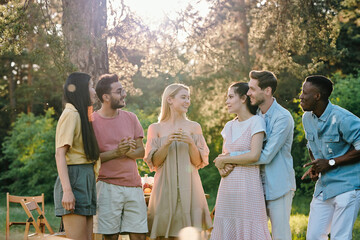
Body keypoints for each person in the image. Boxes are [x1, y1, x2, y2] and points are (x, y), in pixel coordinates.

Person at [144, 83, 212, 239]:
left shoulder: (194, 127)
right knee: (163, 234)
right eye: (183, 97)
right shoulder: (156, 128)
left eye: (188, 98)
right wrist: (167, 143)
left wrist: (190, 142)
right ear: (169, 99)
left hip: (190, 186)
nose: (187, 101)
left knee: (190, 233)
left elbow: (197, 163)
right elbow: (155, 162)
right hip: (164, 187)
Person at [300, 75, 360, 240]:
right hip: (324, 188)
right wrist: (316, 167)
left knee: (340, 237)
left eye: (305, 92)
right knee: (313, 236)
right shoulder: (307, 118)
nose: (301, 96)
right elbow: (312, 145)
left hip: (347, 186)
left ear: (317, 96)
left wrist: (331, 162)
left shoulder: (343, 118)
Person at [211, 82, 271, 240]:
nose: (227, 101)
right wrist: (221, 166)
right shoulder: (228, 126)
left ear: (244, 98)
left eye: (230, 97)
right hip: (227, 189)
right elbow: (225, 158)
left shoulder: (256, 122)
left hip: (248, 188)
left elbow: (254, 155)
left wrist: (224, 160)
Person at [92, 74, 147, 240]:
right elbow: (91, 158)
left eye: (123, 90)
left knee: (140, 235)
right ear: (106, 97)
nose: (124, 94)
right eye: (119, 91)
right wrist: (117, 152)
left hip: (134, 185)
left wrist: (127, 152)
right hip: (107, 186)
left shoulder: (131, 118)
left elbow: (141, 152)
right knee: (110, 236)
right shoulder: (92, 121)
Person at [246, 70, 296, 240]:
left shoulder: (283, 117)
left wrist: (234, 158)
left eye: (252, 89)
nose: (248, 93)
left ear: (267, 91)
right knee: (256, 234)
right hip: (256, 185)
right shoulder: (255, 115)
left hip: (279, 186)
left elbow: (266, 156)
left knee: (280, 235)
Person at [54, 72, 100, 240]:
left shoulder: (82, 115)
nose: (94, 91)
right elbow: (60, 154)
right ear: (81, 89)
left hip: (86, 178)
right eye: (90, 86)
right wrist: (67, 191)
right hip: (74, 178)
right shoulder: (71, 114)